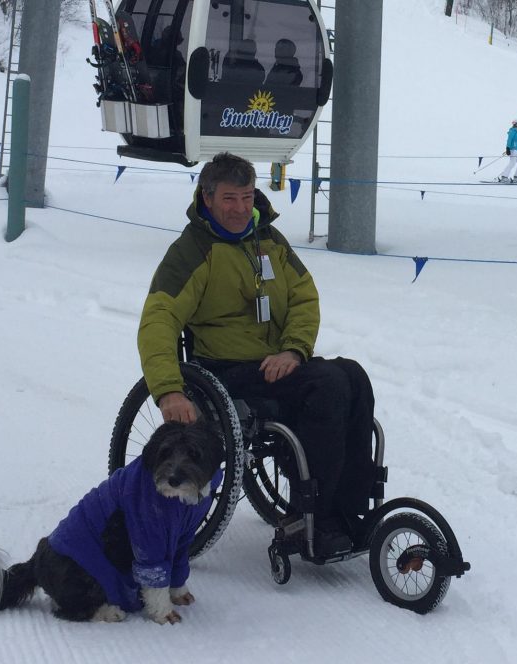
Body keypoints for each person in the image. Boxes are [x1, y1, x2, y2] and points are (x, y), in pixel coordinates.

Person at [137, 152, 376, 557]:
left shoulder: (269, 240)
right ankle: (312, 514)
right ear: (207, 198)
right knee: (329, 386)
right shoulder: (192, 251)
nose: (241, 208)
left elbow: (304, 297)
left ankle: (348, 509)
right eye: (230, 199)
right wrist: (168, 390)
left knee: (353, 376)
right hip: (224, 371)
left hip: (279, 363)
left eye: (247, 197)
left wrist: (294, 349)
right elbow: (158, 319)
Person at [498, 118, 517, 183]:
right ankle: (504, 177)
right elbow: (509, 140)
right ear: (515, 124)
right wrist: (507, 148)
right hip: (512, 149)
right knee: (512, 163)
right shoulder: (512, 131)